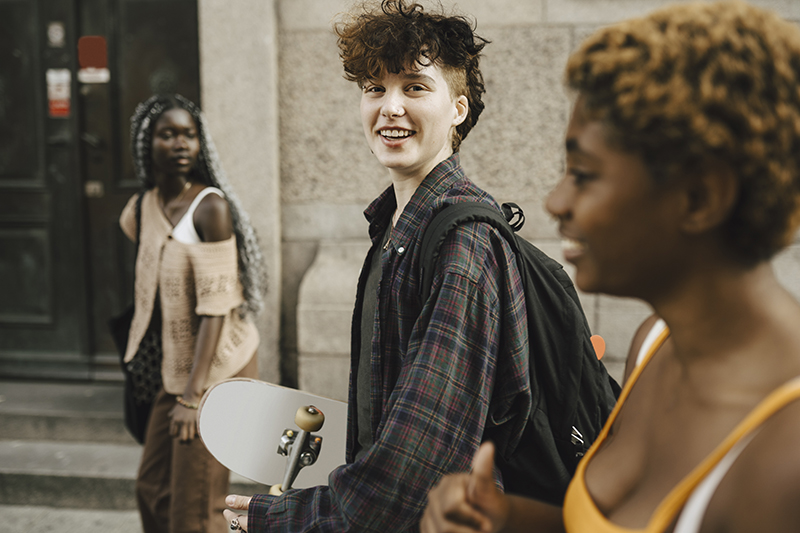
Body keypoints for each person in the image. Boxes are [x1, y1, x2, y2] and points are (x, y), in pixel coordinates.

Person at [421, 1, 800, 532]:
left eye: (583, 173)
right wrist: (506, 518)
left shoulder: (787, 455)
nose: (555, 201)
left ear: (699, 199)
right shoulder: (655, 344)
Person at [224, 1, 534, 531]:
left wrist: (274, 520)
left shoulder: (463, 245)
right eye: (375, 89)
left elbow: (416, 469)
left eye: (414, 87)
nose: (390, 107)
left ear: (458, 109)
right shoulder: (395, 227)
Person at [120, 93, 267, 533]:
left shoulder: (210, 208)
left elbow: (217, 308)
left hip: (215, 368)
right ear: (148, 145)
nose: (181, 144)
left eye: (189, 135)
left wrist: (193, 397)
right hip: (173, 368)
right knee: (152, 489)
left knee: (195, 504)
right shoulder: (141, 208)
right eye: (168, 135)